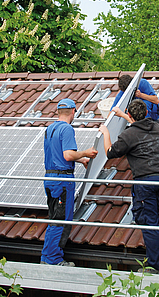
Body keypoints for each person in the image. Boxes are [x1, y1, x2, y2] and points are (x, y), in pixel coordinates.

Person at [99, 99, 159, 275]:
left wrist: (105, 133)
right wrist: (125, 116)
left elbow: (110, 152)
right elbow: (138, 126)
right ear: (147, 114)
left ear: (130, 115)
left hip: (145, 182)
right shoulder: (156, 128)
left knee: (150, 223)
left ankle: (154, 266)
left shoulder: (129, 135)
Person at [41, 98, 98, 266]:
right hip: (62, 181)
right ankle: (54, 259)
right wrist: (85, 153)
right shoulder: (67, 129)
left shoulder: (49, 129)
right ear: (74, 111)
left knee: (54, 219)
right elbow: (67, 155)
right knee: (62, 220)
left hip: (49, 178)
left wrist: (80, 161)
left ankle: (47, 257)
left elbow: (57, 155)